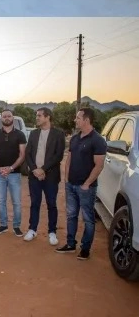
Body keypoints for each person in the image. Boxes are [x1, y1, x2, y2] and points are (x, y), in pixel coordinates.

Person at [56, 108, 107, 260]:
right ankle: (71, 244)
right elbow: (69, 159)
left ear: (86, 120)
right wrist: (66, 178)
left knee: (88, 219)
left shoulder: (97, 140)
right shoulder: (75, 138)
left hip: (86, 188)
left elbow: (99, 165)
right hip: (71, 185)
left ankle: (85, 249)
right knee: (71, 215)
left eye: (78, 118)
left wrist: (87, 184)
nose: (75, 120)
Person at [23, 108, 65, 246]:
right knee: (35, 203)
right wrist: (35, 169)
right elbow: (28, 153)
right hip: (34, 175)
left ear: (48, 117)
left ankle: (52, 232)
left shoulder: (58, 134)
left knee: (51, 204)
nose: (37, 118)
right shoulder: (34, 134)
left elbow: (58, 156)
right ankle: (32, 229)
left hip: (51, 176)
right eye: (37, 116)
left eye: (39, 116)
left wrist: (43, 169)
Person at [0, 110, 27, 236]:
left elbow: (22, 155)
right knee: (1, 201)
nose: (6, 118)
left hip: (14, 174)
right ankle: (3, 225)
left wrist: (11, 168)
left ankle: (16, 226)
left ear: (13, 118)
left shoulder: (20, 135)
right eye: (4, 116)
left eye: (9, 116)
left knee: (16, 202)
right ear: (1, 118)